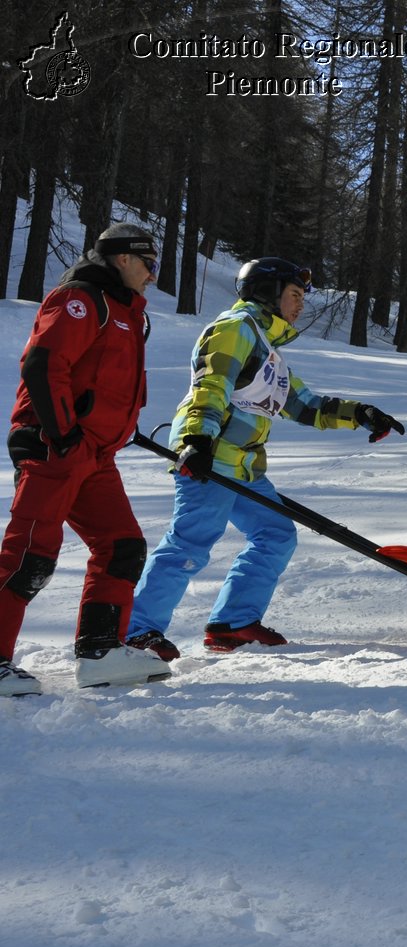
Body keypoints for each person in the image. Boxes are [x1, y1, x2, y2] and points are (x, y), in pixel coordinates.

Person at [125, 258, 405, 660]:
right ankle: (138, 631)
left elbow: (304, 405)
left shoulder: (265, 347)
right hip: (210, 460)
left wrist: (360, 413)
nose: (301, 305)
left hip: (244, 468)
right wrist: (196, 442)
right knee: (190, 543)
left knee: (275, 534)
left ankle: (234, 622)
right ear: (267, 293)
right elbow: (211, 385)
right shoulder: (234, 329)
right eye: (294, 295)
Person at [0, 223, 173, 693]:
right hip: (55, 446)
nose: (153, 276)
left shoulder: (125, 310)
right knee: (28, 555)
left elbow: (102, 380)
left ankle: (101, 653)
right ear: (122, 259)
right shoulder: (81, 299)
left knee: (122, 546)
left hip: (94, 455)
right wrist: (64, 435)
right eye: (149, 264)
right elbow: (44, 364)